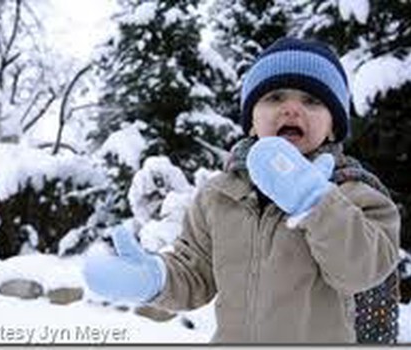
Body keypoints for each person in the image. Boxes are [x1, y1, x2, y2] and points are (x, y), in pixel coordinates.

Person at [83, 37, 401, 343]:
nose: (291, 109)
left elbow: (363, 271)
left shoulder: (354, 192)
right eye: (274, 97)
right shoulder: (218, 195)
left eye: (312, 100)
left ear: (333, 126)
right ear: (251, 121)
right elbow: (195, 272)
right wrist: (155, 278)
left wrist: (317, 203)